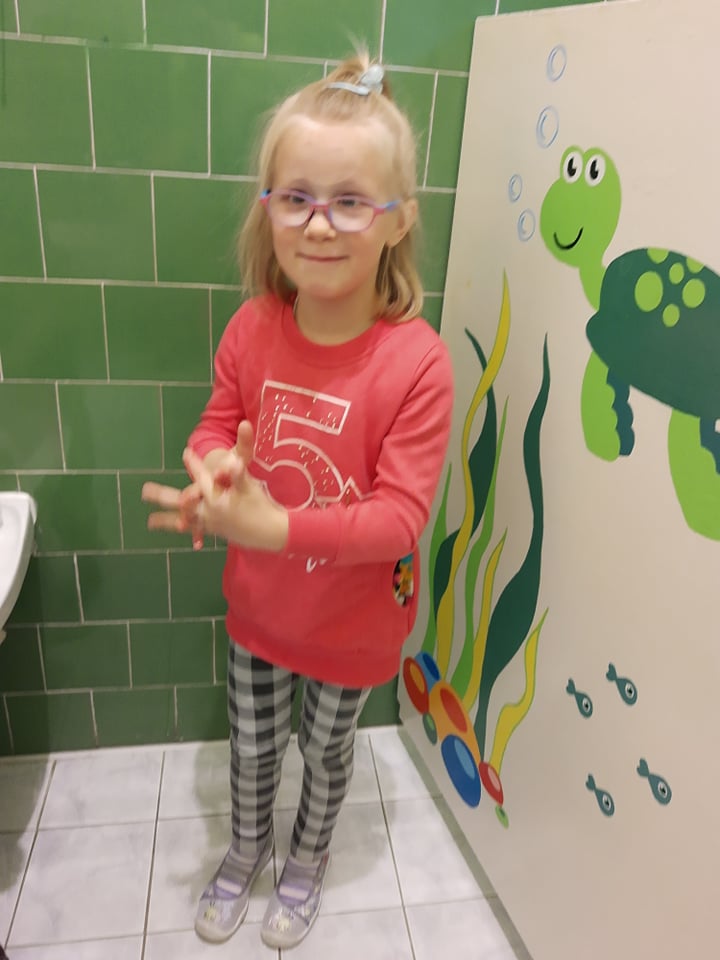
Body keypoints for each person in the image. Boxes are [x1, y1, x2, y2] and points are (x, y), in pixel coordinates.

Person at [142, 51, 454, 951]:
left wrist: (273, 524)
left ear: (398, 221)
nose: (319, 223)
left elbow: (399, 519)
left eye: (351, 201)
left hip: (353, 629)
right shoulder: (253, 329)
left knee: (325, 750)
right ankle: (246, 849)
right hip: (260, 610)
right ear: (268, 209)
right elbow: (218, 423)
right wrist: (215, 473)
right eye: (297, 198)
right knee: (249, 746)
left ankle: (306, 859)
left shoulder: (416, 363)